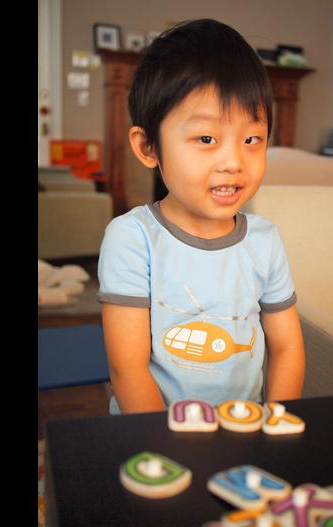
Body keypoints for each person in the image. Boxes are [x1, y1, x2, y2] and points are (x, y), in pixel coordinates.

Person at [97, 18, 304, 414]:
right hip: (152, 435)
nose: (233, 162)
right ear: (148, 146)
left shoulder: (265, 240)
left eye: (252, 139)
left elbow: (287, 347)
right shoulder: (133, 238)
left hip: (243, 431)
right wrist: (166, 443)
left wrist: (276, 425)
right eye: (207, 138)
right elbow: (128, 370)